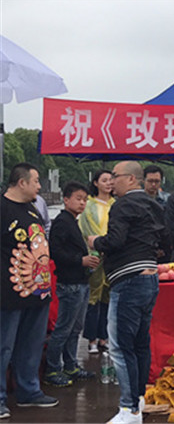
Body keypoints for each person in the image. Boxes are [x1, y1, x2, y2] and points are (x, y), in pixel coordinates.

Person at [88, 161, 170, 424]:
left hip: (129, 279)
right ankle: (138, 398)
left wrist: (95, 241)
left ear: (132, 179)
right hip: (149, 277)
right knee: (140, 343)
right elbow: (166, 242)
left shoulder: (123, 205)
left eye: (116, 176)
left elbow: (115, 240)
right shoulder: (154, 205)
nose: (112, 181)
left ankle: (129, 408)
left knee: (121, 347)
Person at [1, 163, 58, 420]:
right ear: (21, 182)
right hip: (9, 292)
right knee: (3, 346)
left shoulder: (33, 208)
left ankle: (29, 391)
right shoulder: (3, 208)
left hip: (37, 291)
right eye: (35, 181)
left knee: (31, 345)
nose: (39, 186)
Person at [45, 181, 99, 387]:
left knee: (75, 329)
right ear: (66, 200)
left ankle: (71, 365)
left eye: (85, 199)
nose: (82, 203)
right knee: (63, 328)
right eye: (78, 199)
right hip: (69, 283)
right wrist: (80, 260)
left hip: (81, 281)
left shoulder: (73, 221)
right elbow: (55, 252)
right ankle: (52, 369)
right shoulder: (62, 222)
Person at [79, 169, 114, 355]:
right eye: (104, 180)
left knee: (108, 297)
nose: (109, 183)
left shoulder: (117, 204)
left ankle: (104, 337)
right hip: (95, 255)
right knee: (93, 298)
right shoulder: (89, 205)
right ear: (96, 183)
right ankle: (91, 338)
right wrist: (100, 245)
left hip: (113, 256)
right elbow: (87, 230)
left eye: (111, 180)